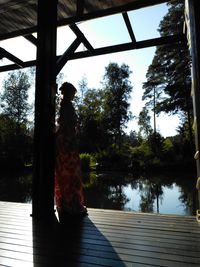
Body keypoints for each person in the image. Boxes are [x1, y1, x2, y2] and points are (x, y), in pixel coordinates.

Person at [55, 82, 87, 222]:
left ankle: (68, 205)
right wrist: (69, 140)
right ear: (68, 93)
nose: (74, 95)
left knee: (67, 173)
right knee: (70, 173)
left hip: (65, 143)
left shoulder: (65, 106)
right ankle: (71, 206)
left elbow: (64, 125)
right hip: (67, 144)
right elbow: (65, 126)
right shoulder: (66, 106)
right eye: (73, 93)